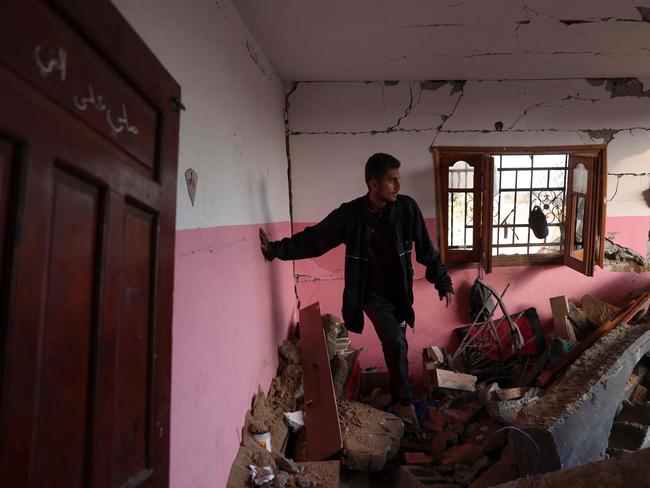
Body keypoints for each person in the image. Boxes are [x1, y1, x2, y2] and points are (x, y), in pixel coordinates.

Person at [259, 153, 453, 426]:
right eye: (392, 180)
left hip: (399, 294)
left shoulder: (406, 209)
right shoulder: (350, 215)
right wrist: (276, 250)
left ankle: (401, 399)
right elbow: (316, 240)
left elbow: (425, 248)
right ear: (374, 184)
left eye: (399, 179)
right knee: (396, 340)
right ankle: (404, 403)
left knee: (397, 341)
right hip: (370, 295)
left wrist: (442, 280)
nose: (398, 185)